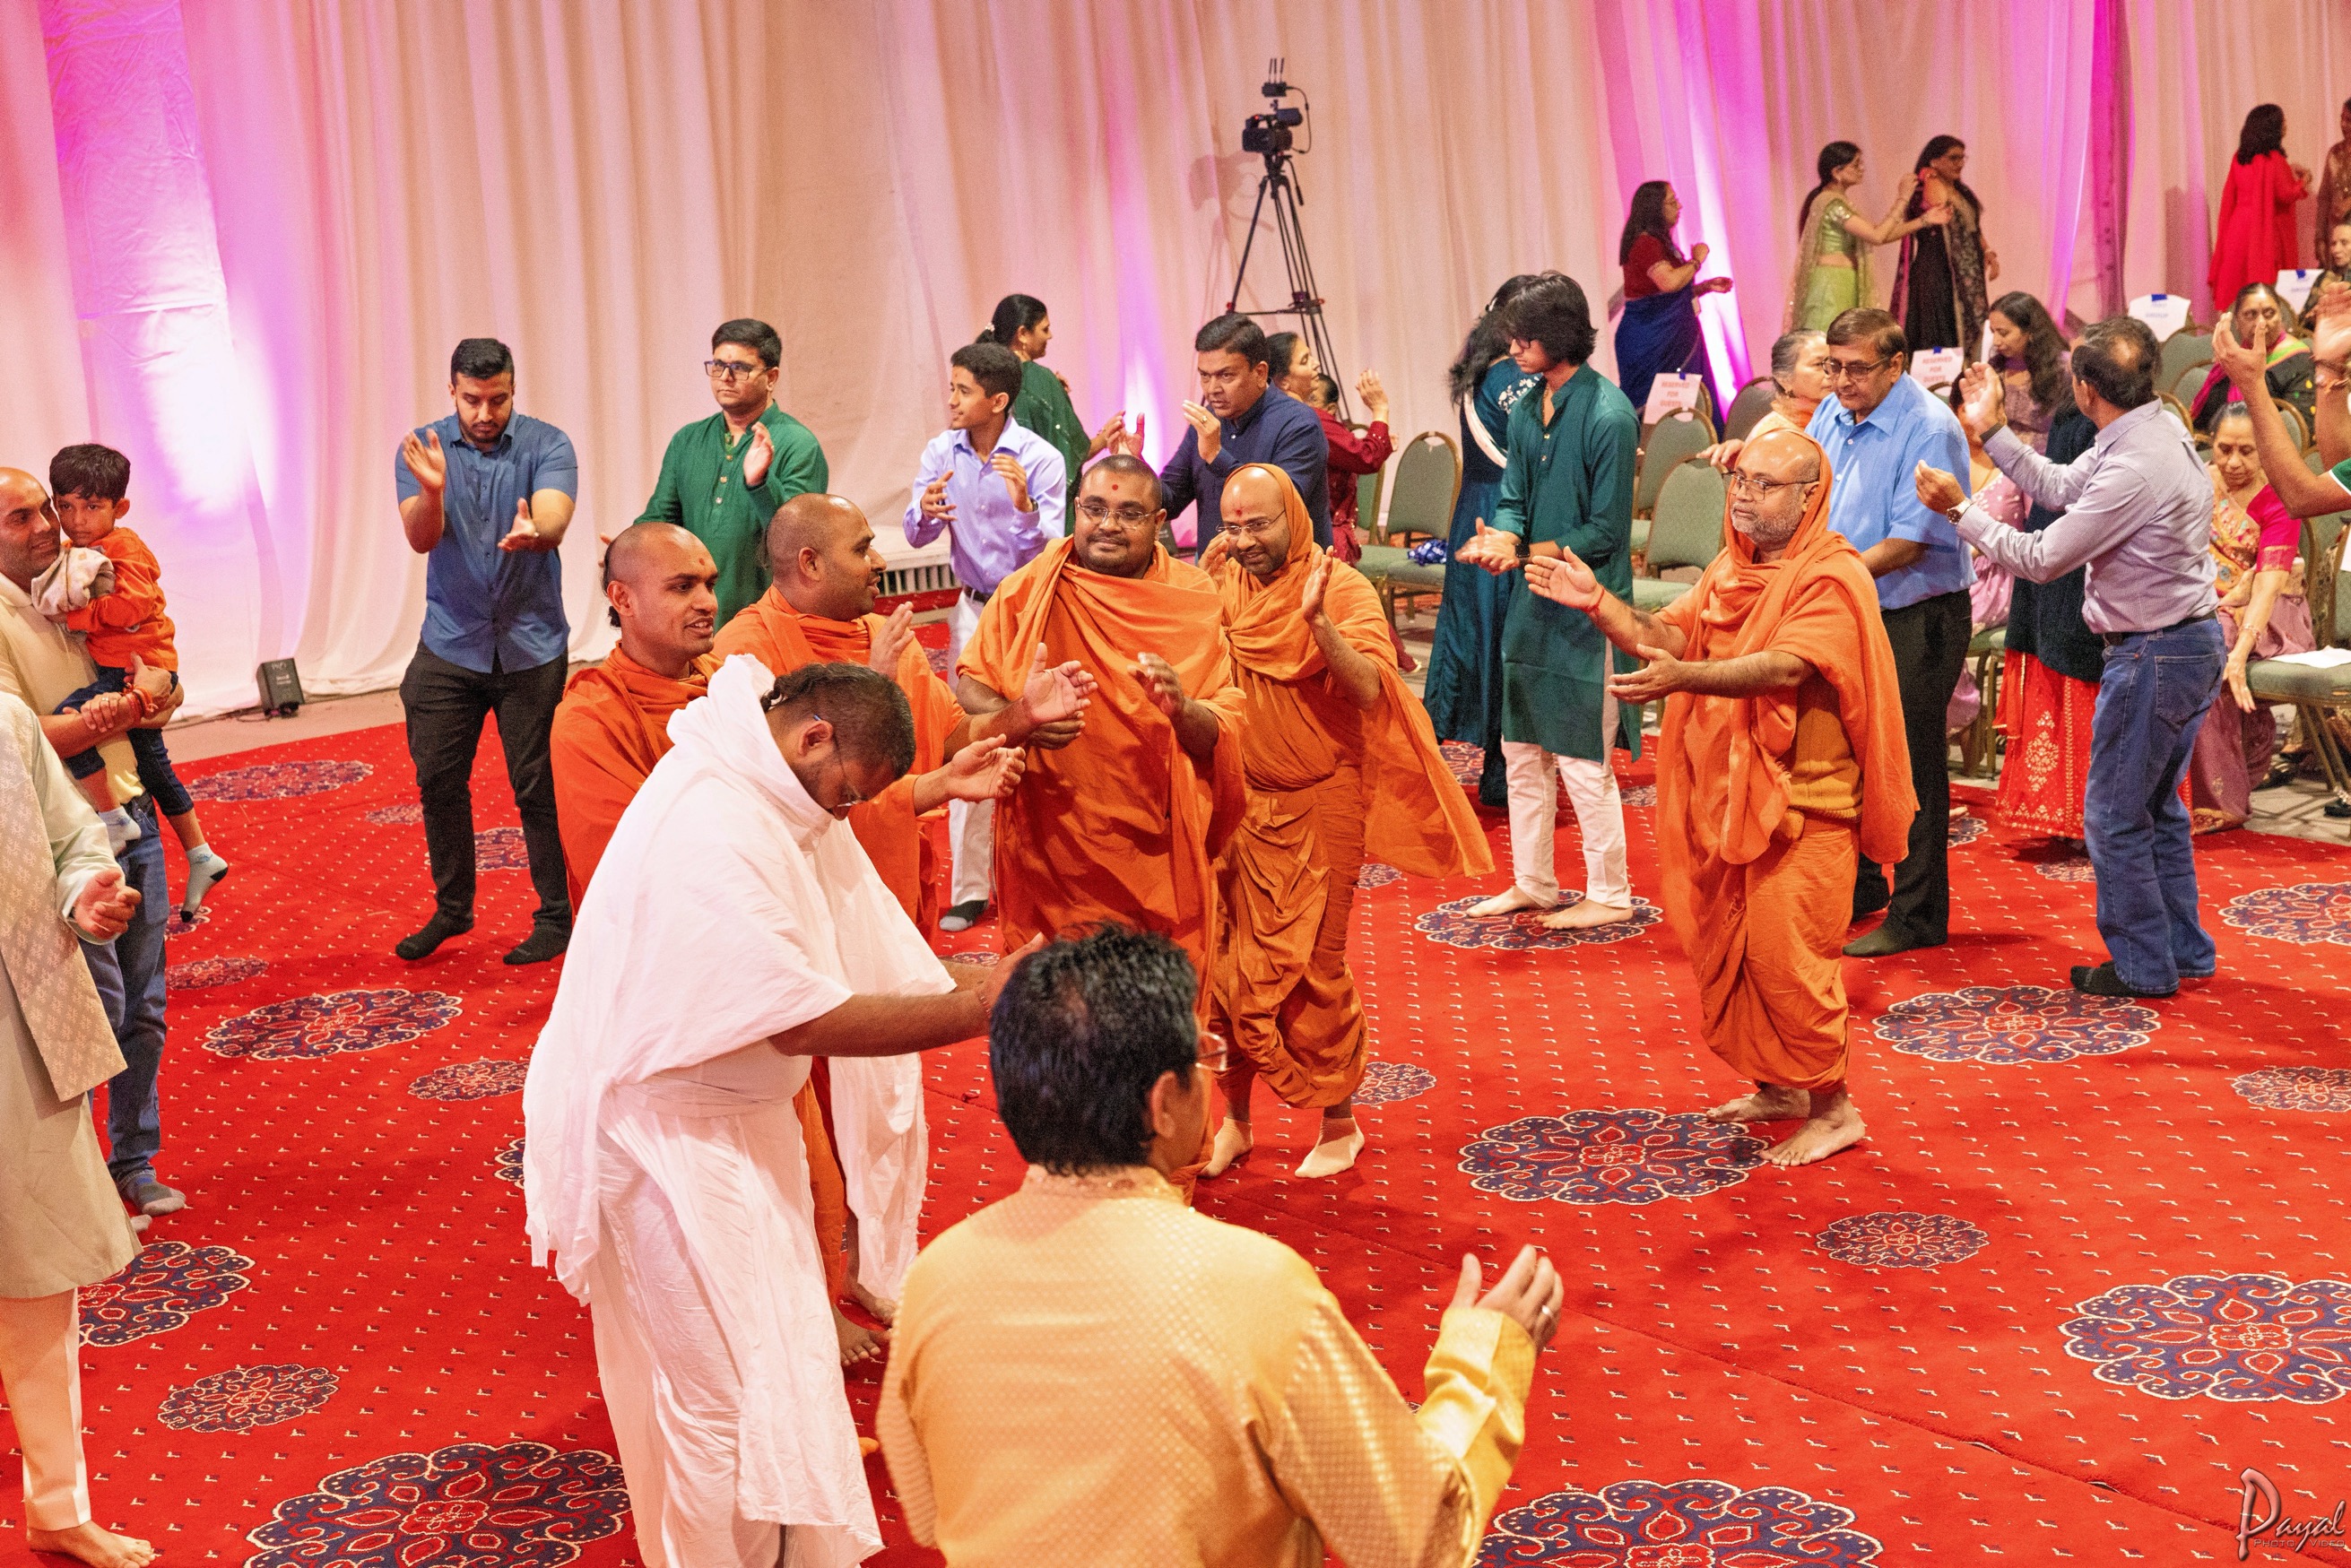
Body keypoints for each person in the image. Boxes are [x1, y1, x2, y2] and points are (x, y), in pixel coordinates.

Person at [525, 657, 1029, 1568]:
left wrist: (990, 984)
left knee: (775, 1363)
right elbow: (801, 1019)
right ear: (813, 736)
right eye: (847, 794)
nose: (845, 814)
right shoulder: (714, 821)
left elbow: (869, 954)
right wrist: (982, 1008)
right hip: (662, 1140)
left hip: (739, 1123)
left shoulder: (772, 786)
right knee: (716, 1400)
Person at [877, 924, 1560, 1568]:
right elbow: (1415, 1536)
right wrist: (1484, 1358)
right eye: (1201, 1056)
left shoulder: (937, 1276)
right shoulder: (1253, 1285)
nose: (1211, 1073)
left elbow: (929, 1507)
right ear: (1161, 1102)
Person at [1522, 430, 1913, 1166]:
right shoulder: (1731, 571)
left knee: (1788, 961)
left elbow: (1784, 666)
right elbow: (1667, 634)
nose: (1744, 494)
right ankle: (1782, 1085)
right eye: (1742, 480)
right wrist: (1599, 603)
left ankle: (1835, 1108)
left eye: (1767, 484)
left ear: (1809, 496)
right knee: (1733, 950)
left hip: (1808, 802)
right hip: (1729, 794)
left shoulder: (1833, 576)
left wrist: (1686, 678)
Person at [1195, 465, 1490, 1181]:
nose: (1244, 540)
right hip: (1236, 803)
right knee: (1226, 970)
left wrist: (1318, 625)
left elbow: (1369, 689)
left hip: (1320, 800)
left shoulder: (1343, 587)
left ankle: (1339, 1120)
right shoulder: (1220, 581)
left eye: (1258, 524)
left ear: (1293, 518)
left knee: (1314, 970)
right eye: (1232, 526)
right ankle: (1235, 1121)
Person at [1921, 316, 2223, 998]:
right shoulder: (2151, 426)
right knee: (2156, 811)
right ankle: (2182, 949)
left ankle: (2144, 966)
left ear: (2085, 390)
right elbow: (2058, 487)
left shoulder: (2133, 464)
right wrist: (1992, 428)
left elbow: (2040, 557)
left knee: (2114, 816)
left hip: (2155, 650)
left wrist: (1959, 510)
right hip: (2182, 642)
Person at [956, 455, 1247, 1017]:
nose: (1108, 525)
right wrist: (1022, 716)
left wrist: (1182, 708)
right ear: (1075, 511)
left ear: (1159, 522)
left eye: (1129, 514)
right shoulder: (1032, 588)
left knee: (1151, 1010)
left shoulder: (1192, 598)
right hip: (1054, 837)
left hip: (1157, 844)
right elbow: (972, 682)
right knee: (1056, 1005)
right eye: (1095, 509)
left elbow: (1224, 724)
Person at [742, 491, 1092, 937]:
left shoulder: (884, 636)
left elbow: (951, 735)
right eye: (861, 549)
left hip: (897, 872)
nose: (879, 562)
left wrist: (1024, 714)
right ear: (810, 564)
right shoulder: (746, 654)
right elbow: (784, 799)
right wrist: (873, 688)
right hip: (807, 897)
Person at [0, 468, 185, 1226]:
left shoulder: (85, 577)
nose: (48, 524)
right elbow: (19, 740)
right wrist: (129, 706)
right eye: (21, 518)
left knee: (144, 1007)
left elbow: (162, 678)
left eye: (45, 508)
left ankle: (134, 1160)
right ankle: (69, 1181)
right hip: (58, 841)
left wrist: (152, 695)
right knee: (88, 1012)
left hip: (132, 810)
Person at [0, 690, 152, 1568]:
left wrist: (84, 897)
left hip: (18, 1031)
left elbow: (74, 844)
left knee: (40, 1276)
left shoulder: (7, 723)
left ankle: (58, 1506)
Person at [1453, 273, 1641, 931]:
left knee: (1584, 760)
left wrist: (1523, 549)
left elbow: (1606, 532)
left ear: (1559, 336)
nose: (1511, 348)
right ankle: (1533, 883)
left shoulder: (1609, 414)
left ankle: (1610, 893)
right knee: (1523, 751)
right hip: (1532, 601)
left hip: (1589, 609)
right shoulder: (1529, 406)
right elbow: (1511, 496)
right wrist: (1503, 536)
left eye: (1523, 338)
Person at [393, 337, 577, 966]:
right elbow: (421, 539)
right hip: (450, 644)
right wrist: (433, 492)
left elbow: (554, 516)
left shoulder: (548, 444)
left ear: (513, 389)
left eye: (497, 399)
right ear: (452, 390)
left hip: (532, 646)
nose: (484, 413)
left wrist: (537, 530)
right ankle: (453, 908)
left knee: (537, 787)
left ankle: (557, 916)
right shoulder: (422, 449)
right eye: (472, 399)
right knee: (438, 780)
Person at [1805, 308, 1974, 957]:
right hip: (1849, 604)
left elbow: (1910, 541)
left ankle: (1919, 914)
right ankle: (1864, 884)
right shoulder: (1832, 411)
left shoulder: (1929, 426)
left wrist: (1826, 572)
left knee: (1910, 765)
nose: (1841, 381)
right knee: (1845, 751)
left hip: (1917, 613)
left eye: (1857, 368)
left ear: (1895, 365)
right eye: (1833, 366)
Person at [903, 340, 1071, 932]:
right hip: (973, 610)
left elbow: (1054, 550)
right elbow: (916, 535)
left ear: (997, 401)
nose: (951, 400)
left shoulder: (1041, 458)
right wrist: (924, 512)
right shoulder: (940, 451)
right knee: (970, 736)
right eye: (951, 387)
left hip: (1031, 613)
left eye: (963, 390)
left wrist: (1024, 507)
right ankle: (971, 889)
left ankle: (1048, 876)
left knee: (1040, 732)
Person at [39, 446, 229, 915]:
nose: (76, 519)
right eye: (65, 506)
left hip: (135, 668)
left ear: (119, 508)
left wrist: (79, 617)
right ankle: (200, 854)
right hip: (128, 665)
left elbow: (134, 606)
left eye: (91, 506)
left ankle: (112, 817)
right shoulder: (77, 550)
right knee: (154, 765)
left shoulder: (122, 546)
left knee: (70, 720)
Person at [548, 523, 724, 911]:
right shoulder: (589, 719)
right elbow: (623, 861)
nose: (708, 603)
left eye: (710, 585)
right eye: (683, 587)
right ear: (623, 599)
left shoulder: (730, 682)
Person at [1425, 275, 1543, 809]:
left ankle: (1450, 760)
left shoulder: (1482, 372)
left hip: (1475, 509)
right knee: (1506, 638)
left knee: (1474, 635)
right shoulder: (1514, 379)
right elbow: (1535, 454)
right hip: (1506, 515)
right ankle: (1503, 769)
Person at [638, 317, 828, 626]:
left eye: (740, 368)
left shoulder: (798, 443)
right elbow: (662, 516)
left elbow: (798, 539)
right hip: (698, 618)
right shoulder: (687, 440)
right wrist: (629, 551)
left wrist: (759, 482)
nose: (725, 377)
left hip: (770, 620)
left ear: (771, 377)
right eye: (718, 365)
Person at [2190, 409, 2317, 830]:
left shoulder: (2280, 497)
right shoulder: (2198, 482)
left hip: (2270, 613)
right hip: (2204, 604)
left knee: (2210, 644)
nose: (2233, 462)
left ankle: (2219, 800)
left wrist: (2241, 651)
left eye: (2247, 451)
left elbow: (2268, 583)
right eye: (2224, 449)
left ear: (2265, 451)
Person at [1995, 406, 2104, 842]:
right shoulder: (2070, 416)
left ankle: (2090, 821)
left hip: (2082, 560)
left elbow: (2061, 490)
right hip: (2055, 553)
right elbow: (2053, 488)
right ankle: (2069, 817)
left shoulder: (2116, 430)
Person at [1158, 313, 1331, 551]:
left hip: (1286, 570)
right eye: (1205, 376)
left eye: (1225, 375)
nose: (1212, 389)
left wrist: (1217, 457)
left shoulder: (1299, 424)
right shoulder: (1207, 420)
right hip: (1216, 567)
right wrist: (1134, 469)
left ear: (1260, 373)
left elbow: (1281, 508)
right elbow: (1170, 500)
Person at [1785, 142, 1950, 333]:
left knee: (1845, 338)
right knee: (1828, 338)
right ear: (1837, 172)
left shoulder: (1839, 201)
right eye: (1856, 165)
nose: (1861, 169)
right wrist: (1903, 198)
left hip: (1842, 279)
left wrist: (1925, 220)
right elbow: (1877, 236)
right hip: (1831, 283)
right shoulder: (1831, 203)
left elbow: (1880, 234)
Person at [1268, 332, 1392, 563]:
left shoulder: (1270, 415)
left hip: (1282, 540)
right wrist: (1380, 408)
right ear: (1283, 381)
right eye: (1305, 360)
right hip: (1318, 542)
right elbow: (1368, 457)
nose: (1316, 364)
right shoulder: (1309, 420)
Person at [980, 293, 1123, 494]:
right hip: (1039, 502)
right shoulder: (1040, 378)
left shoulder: (985, 379)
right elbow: (1070, 453)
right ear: (1022, 334)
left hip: (996, 494)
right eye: (1044, 329)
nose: (1050, 336)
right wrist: (1105, 436)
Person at [1613, 179, 1731, 415]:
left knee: (1683, 414)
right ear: (1655, 208)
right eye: (1672, 201)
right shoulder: (1645, 243)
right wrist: (1696, 260)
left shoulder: (1660, 242)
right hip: (1652, 343)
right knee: (1658, 414)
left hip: (1671, 340)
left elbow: (1667, 293)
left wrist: (1705, 287)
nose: (1679, 206)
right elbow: (1669, 283)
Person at [1890, 137, 1997, 359]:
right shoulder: (1925, 188)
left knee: (1971, 321)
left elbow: (1973, 228)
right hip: (1937, 270)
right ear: (1934, 161)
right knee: (1940, 323)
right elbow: (1939, 204)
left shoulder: (1961, 191)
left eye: (1962, 158)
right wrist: (1930, 175)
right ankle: (1941, 374)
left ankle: (1968, 368)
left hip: (1967, 272)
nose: (1960, 163)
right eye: (1953, 158)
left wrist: (1988, 252)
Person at [2211, 106, 2312, 316]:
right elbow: (2286, 194)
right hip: (2263, 230)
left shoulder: (2239, 158)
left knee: (2237, 279)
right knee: (2263, 284)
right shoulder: (2274, 160)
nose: (2286, 126)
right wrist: (2304, 180)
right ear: (2272, 127)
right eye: (2283, 122)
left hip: (2238, 227)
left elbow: (2230, 194)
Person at [2190, 283, 2314, 432]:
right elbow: (2204, 421)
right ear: (2237, 322)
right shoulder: (2231, 360)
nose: (2261, 323)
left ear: (2280, 317)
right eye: (2250, 315)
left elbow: (2298, 429)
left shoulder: (2299, 359)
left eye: (2269, 313)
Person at [1703, 329, 1830, 468]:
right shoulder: (1775, 436)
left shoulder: (1839, 420)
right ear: (1784, 379)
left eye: (1834, 363)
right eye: (1819, 364)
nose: (1833, 372)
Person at [1986, 293, 2074, 451]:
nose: (1996, 341)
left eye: (2003, 333)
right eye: (1993, 332)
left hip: (2048, 458)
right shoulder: (1995, 368)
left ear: (2030, 331)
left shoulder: (2063, 367)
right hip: (2000, 456)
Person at [2316, 100, 2351, 265]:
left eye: (2349, 120)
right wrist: (2320, 238)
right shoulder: (2335, 153)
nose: (2343, 124)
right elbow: (2324, 198)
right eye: (2342, 118)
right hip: (2336, 235)